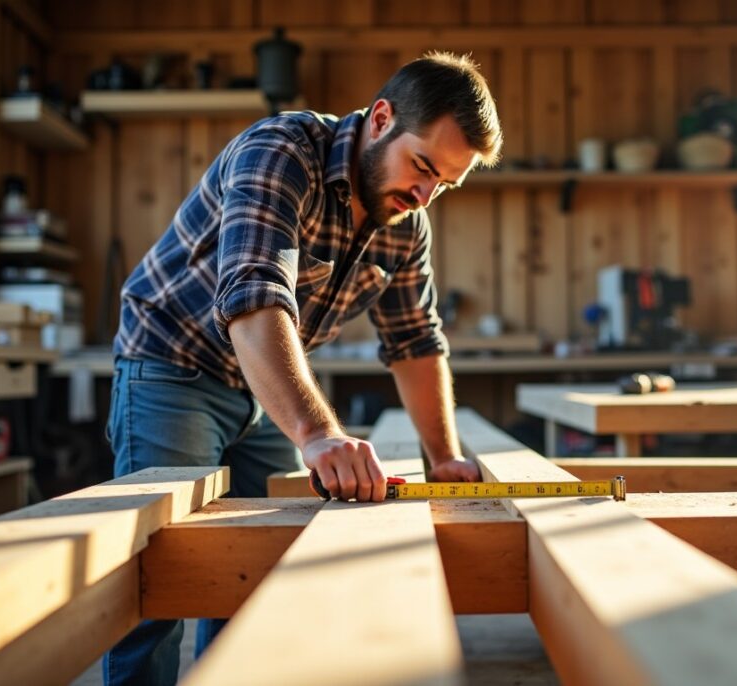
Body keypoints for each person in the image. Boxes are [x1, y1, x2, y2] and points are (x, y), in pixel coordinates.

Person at [103, 51, 503, 685]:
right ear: (380, 119)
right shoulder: (282, 151)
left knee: (257, 572)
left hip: (260, 387)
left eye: (444, 185)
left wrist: (445, 457)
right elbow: (254, 296)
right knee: (159, 578)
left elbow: (415, 340)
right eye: (423, 167)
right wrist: (318, 433)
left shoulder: (406, 223)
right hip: (172, 364)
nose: (424, 195)